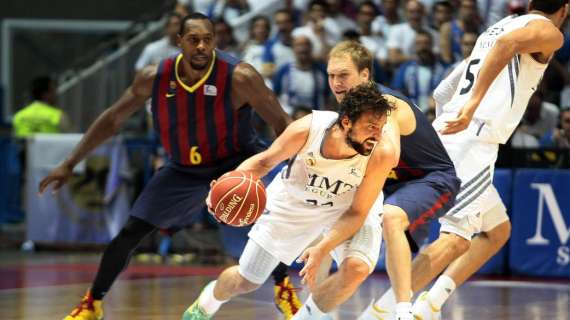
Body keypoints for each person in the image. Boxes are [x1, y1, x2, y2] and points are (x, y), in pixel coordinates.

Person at [38, 13, 291, 320]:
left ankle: (283, 287)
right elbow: (113, 119)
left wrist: (294, 164)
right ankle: (92, 303)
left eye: (207, 40)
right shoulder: (154, 77)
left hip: (235, 163)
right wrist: (69, 163)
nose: (201, 46)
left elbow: (280, 121)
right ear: (179, 41)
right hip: (183, 168)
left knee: (266, 223)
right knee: (130, 233)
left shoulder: (240, 76)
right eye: (194, 40)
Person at [367, 0, 568, 319]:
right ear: (565, 8)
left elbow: (442, 91)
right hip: (473, 140)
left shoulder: (496, 27)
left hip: (449, 132)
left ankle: (429, 305)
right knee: (455, 239)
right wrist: (472, 108)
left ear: (530, 3)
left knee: (497, 231)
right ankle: (380, 313)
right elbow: (508, 45)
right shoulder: (548, 31)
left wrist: (453, 117)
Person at [183, 82, 398, 320]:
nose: (377, 135)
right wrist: (226, 185)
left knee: (356, 267)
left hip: (348, 207)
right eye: (371, 127)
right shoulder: (308, 129)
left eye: (381, 128)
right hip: (294, 202)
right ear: (346, 121)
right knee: (246, 280)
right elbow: (264, 163)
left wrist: (322, 247)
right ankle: (206, 304)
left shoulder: (382, 151)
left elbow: (357, 212)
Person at [323, 41, 460, 320]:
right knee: (328, 214)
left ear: (365, 75)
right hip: (396, 187)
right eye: (331, 76)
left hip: (432, 182)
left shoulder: (386, 105)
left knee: (392, 218)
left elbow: (390, 157)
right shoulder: (348, 110)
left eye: (343, 75)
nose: (336, 83)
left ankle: (403, 313)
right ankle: (315, 310)